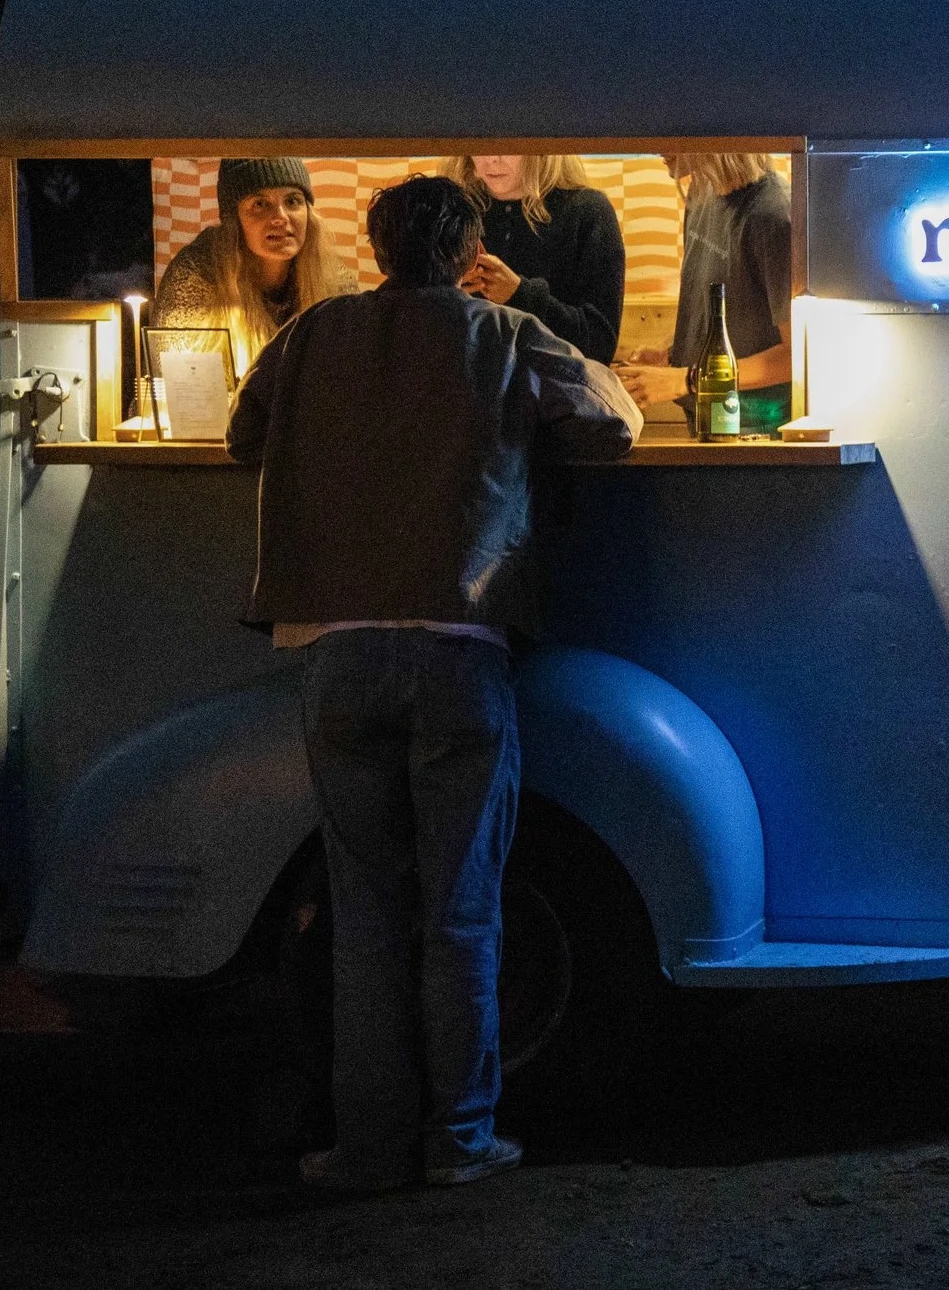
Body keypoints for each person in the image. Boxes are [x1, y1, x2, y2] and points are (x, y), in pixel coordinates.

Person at [226, 176, 640, 1193]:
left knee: (362, 911)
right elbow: (614, 422)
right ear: (465, 252)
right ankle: (458, 1140)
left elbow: (241, 438)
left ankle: (367, 1146)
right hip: (459, 644)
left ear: (373, 247)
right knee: (461, 908)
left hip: (334, 647)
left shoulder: (311, 333)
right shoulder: (502, 334)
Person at [614, 152, 792, 432]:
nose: (657, 147)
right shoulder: (700, 196)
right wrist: (674, 355)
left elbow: (797, 356)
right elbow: (730, 314)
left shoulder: (775, 215)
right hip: (703, 424)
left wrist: (687, 379)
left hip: (757, 435)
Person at [154, 156, 356, 370]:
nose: (280, 217)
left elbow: (353, 367)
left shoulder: (333, 279)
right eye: (260, 204)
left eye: (292, 201)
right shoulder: (196, 274)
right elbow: (178, 382)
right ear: (235, 220)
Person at [448, 154, 625, 365]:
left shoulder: (588, 211)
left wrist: (519, 294)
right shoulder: (454, 211)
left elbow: (599, 345)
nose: (492, 159)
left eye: (509, 145)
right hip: (465, 387)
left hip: (556, 390)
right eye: (480, 145)